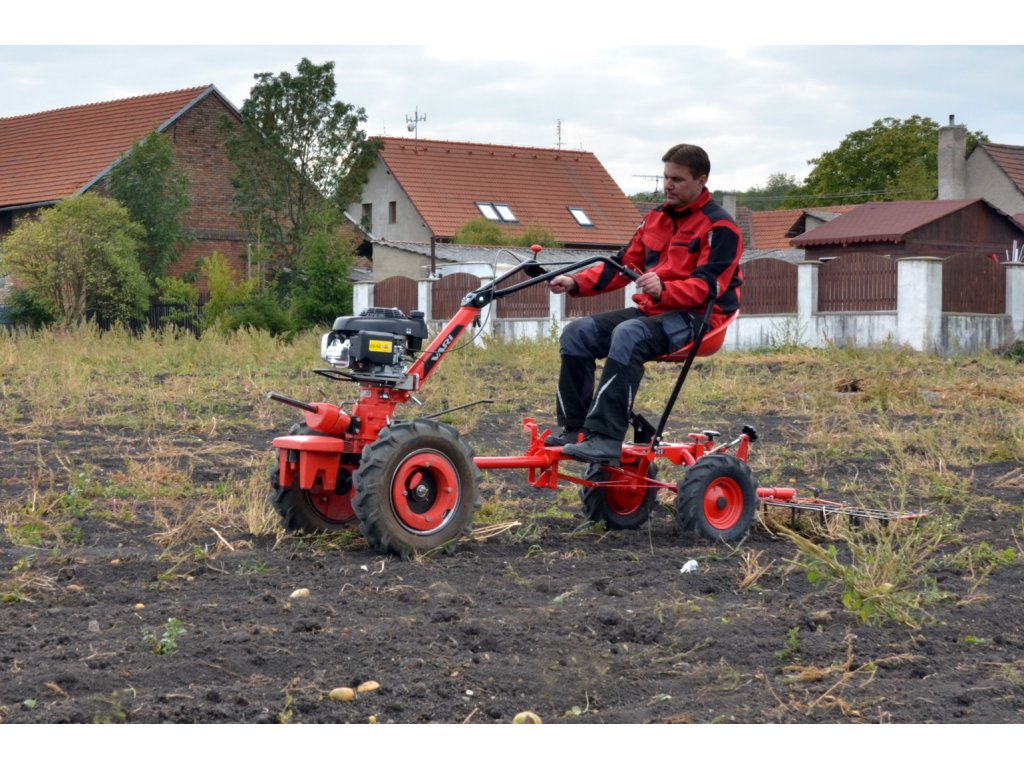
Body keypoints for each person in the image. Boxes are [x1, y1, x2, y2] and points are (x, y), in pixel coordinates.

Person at [546, 143, 744, 463]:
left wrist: (665, 289)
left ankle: (606, 439)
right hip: (655, 311)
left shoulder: (721, 228)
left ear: (701, 180)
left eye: (677, 179)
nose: (668, 185)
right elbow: (622, 264)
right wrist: (575, 282)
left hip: (700, 317)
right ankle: (576, 431)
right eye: (666, 177)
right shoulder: (655, 218)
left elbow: (710, 286)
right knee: (577, 333)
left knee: (629, 333)